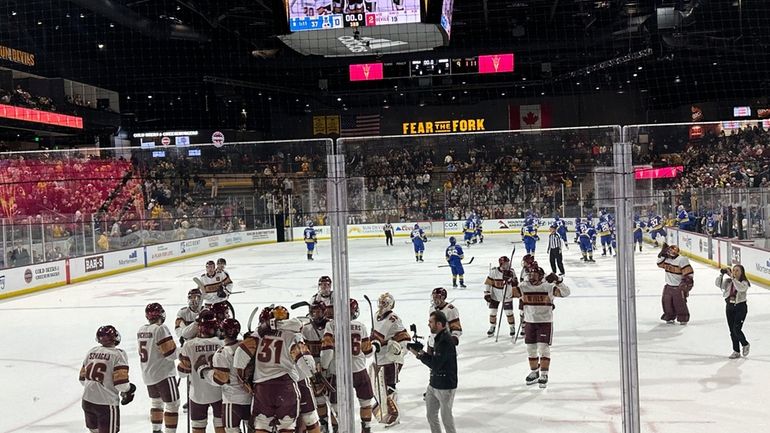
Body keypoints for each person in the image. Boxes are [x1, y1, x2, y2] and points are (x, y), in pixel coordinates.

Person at [233, 306, 316, 433]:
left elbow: (240, 355)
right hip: (286, 387)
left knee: (262, 425)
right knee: (288, 426)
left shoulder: (259, 335)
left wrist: (241, 376)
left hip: (262, 388)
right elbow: (307, 365)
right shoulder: (292, 335)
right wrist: (314, 373)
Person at [509, 267, 570, 388]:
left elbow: (566, 293)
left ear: (541, 276)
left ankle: (544, 373)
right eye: (530, 274)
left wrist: (559, 280)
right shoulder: (524, 286)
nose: (532, 277)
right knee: (531, 349)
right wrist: (510, 282)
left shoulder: (548, 287)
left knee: (543, 348)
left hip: (545, 322)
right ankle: (534, 371)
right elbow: (507, 295)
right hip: (529, 322)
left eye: (535, 274)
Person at [320, 299, 375, 433]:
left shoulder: (331, 325)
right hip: (358, 370)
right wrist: (375, 346)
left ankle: (337, 430)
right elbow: (367, 352)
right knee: (365, 401)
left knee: (336, 405)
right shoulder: (360, 326)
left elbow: (328, 350)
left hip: (338, 372)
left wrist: (323, 367)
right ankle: (366, 428)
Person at [198, 318, 253, 433]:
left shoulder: (222, 353)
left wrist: (204, 371)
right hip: (250, 397)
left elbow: (220, 379)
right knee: (252, 430)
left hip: (232, 400)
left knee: (232, 430)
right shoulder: (247, 346)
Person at [408, 311, 458, 433]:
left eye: (431, 322)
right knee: (431, 416)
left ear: (439, 324)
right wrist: (421, 352)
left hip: (445, 386)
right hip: (434, 384)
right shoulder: (438, 338)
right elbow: (435, 360)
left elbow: (435, 364)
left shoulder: (445, 341)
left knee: (446, 419)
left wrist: (419, 355)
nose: (428, 324)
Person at [80, 325, 136, 433]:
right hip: (105, 404)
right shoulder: (118, 354)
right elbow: (121, 384)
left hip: (87, 401)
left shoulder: (91, 351)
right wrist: (129, 390)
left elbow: (82, 379)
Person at [178, 310, 224, 433]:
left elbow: (182, 373)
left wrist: (182, 358)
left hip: (197, 394)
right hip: (219, 393)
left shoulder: (189, 345)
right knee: (221, 425)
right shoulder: (221, 344)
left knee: (198, 427)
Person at [137, 303, 180, 433]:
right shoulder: (160, 328)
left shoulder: (141, 330)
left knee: (156, 403)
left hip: (148, 374)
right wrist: (184, 350)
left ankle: (156, 430)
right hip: (163, 374)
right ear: (161, 314)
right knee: (173, 405)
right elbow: (171, 354)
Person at [370, 292, 411, 427]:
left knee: (390, 387)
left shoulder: (392, 318)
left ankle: (395, 415)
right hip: (379, 358)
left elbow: (405, 338)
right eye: (381, 303)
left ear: (391, 305)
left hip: (391, 358)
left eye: (385, 303)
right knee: (378, 387)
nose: (382, 306)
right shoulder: (376, 315)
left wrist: (400, 350)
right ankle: (386, 411)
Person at [716, 265, 751, 358]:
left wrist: (732, 278)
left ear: (742, 272)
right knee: (732, 330)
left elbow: (740, 288)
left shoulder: (744, 283)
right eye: (733, 270)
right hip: (729, 307)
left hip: (740, 307)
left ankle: (745, 344)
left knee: (736, 329)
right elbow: (718, 284)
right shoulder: (729, 281)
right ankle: (736, 351)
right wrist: (721, 275)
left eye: (737, 271)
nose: (735, 272)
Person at [656, 244, 694, 325]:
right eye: (669, 251)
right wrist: (662, 255)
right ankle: (669, 316)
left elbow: (689, 273)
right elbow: (659, 264)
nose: (670, 253)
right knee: (667, 303)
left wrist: (686, 282)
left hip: (678, 287)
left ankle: (683, 318)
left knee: (680, 303)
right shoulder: (666, 259)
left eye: (672, 252)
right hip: (668, 286)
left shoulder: (682, 260)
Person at [484, 256, 517, 337]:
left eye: (508, 263)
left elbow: (516, 283)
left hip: (507, 295)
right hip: (495, 295)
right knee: (492, 312)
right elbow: (488, 283)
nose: (507, 265)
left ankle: (512, 327)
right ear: (501, 264)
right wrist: (487, 294)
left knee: (509, 313)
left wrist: (510, 280)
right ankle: (492, 326)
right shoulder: (494, 271)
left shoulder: (511, 271)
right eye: (505, 263)